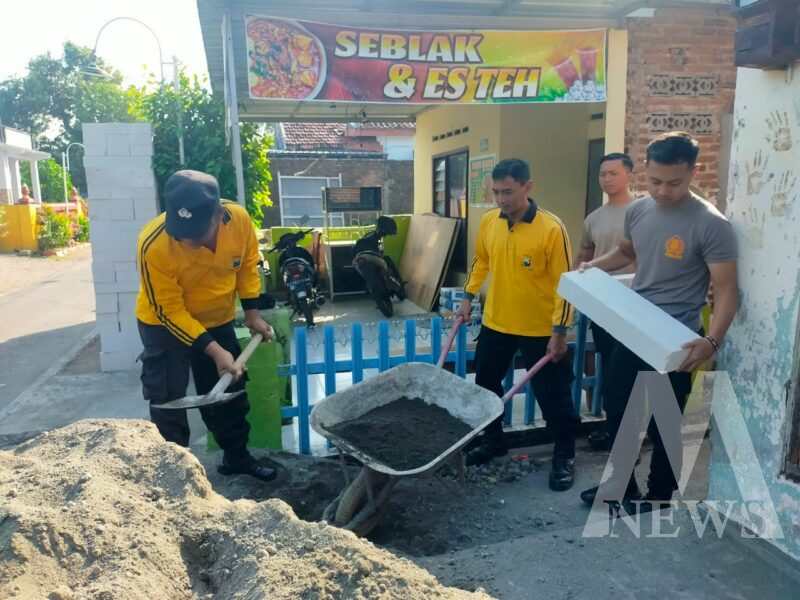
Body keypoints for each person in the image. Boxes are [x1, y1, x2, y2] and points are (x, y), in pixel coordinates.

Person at [577, 132, 738, 509]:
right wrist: (591, 267)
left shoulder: (711, 224)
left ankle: (661, 494)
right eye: (655, 181)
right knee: (618, 411)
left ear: (693, 171)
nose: (663, 191)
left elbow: (727, 290)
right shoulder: (639, 210)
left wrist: (711, 341)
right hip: (635, 329)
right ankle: (621, 486)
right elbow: (626, 253)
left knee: (665, 420)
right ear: (645, 172)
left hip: (679, 339)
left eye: (675, 183)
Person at [135, 170, 277, 481]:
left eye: (196, 232)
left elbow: (248, 265)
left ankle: (236, 458)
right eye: (181, 232)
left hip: (217, 317)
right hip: (163, 325)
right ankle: (173, 475)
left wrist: (252, 313)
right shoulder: (154, 244)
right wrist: (213, 350)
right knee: (168, 402)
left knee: (231, 390)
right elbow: (168, 309)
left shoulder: (238, 221)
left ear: (218, 215)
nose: (187, 240)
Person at [457, 158, 579, 491]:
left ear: (528, 187)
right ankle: (494, 440)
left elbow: (564, 284)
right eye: (496, 192)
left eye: (508, 192)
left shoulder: (551, 228)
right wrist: (468, 296)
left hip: (540, 329)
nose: (501, 199)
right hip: (497, 322)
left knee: (552, 397)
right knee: (486, 384)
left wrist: (559, 331)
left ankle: (564, 455)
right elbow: (482, 260)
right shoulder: (489, 222)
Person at [574, 152, 636, 450]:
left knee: (632, 372)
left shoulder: (642, 212)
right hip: (602, 305)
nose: (607, 179)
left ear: (629, 175)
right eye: (603, 174)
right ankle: (613, 430)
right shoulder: (593, 218)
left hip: (636, 304)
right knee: (609, 369)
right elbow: (584, 257)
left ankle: (632, 433)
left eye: (613, 173)